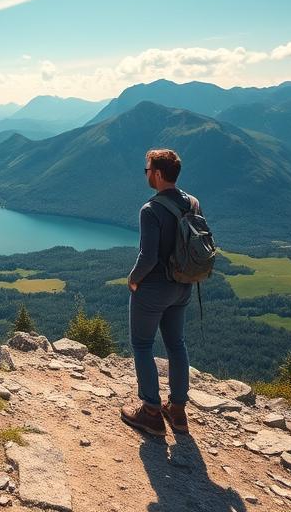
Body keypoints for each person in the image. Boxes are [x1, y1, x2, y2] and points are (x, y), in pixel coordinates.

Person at [120, 148, 201, 437]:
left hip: (153, 289)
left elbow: (148, 256)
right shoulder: (193, 203)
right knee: (176, 344)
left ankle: (151, 412)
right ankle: (177, 411)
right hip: (183, 286)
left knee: (142, 345)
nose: (146, 175)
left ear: (157, 173)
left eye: (147, 170)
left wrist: (133, 279)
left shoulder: (150, 209)